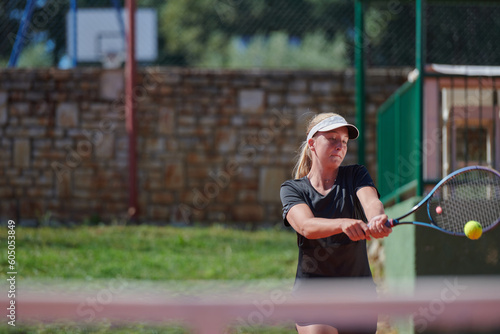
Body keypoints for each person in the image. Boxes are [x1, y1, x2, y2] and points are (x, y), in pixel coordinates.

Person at [280, 112, 392, 334]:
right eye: (332, 139)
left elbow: (371, 202)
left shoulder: (356, 174)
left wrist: (377, 217)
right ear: (312, 143)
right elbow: (306, 227)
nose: (339, 145)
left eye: (343, 141)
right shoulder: (292, 189)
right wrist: (342, 224)